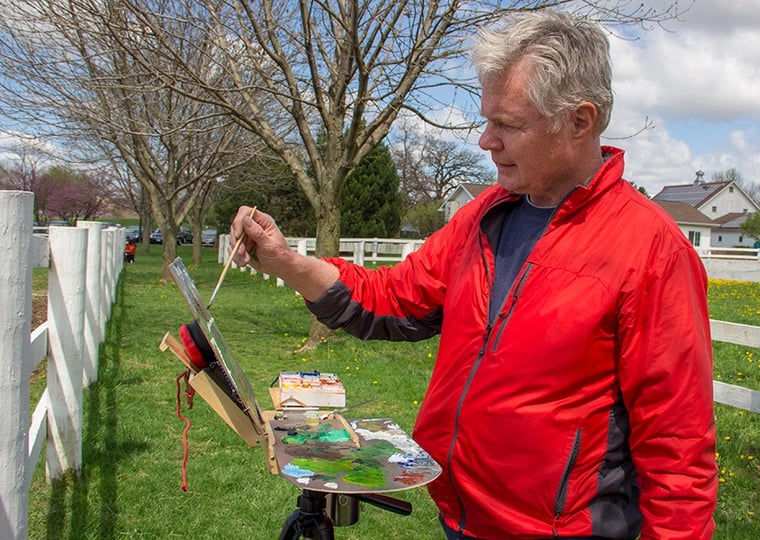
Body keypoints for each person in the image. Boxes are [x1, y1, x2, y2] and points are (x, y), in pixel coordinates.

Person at [230, 11, 716, 540]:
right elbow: (395, 300)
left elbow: (678, 452)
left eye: (507, 124)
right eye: (486, 120)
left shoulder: (650, 249)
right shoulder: (485, 213)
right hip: (461, 520)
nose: (486, 141)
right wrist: (287, 262)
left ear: (580, 121)